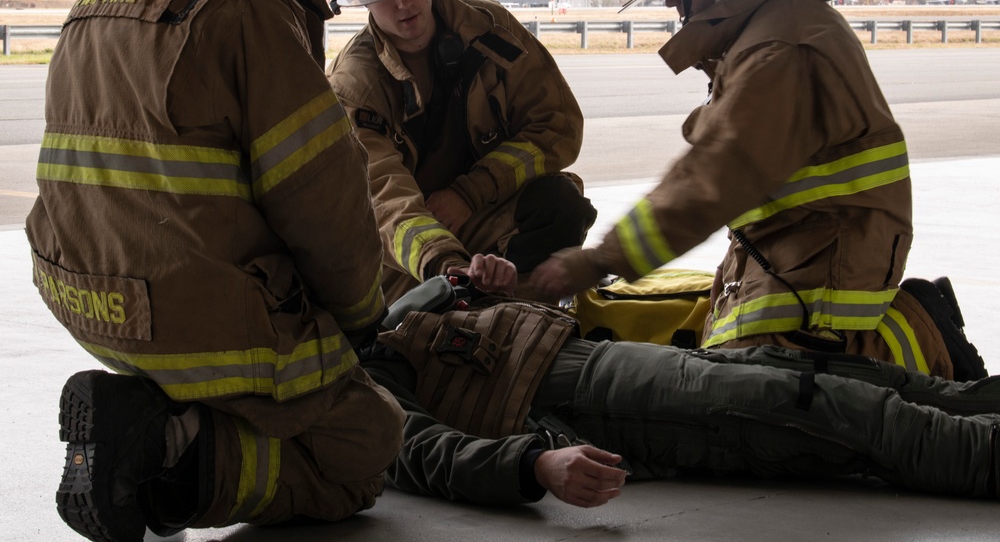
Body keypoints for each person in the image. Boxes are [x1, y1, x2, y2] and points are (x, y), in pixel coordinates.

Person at [25, 0, 405, 542]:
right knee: (367, 445)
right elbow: (322, 196)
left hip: (86, 298)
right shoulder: (244, 2)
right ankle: (173, 453)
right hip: (189, 315)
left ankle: (157, 411)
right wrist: (362, 313)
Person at [530, 0, 985, 381]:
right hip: (796, 260)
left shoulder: (778, 50)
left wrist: (594, 262)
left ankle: (925, 334)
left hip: (818, 290)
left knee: (742, 415)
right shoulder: (772, 23)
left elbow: (710, 180)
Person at [363, 278, 1000, 508]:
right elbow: (425, 454)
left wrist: (489, 281)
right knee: (836, 412)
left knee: (848, 379)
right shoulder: (355, 384)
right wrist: (534, 463)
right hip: (601, 396)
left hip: (614, 364)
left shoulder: (382, 320)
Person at [322, 0, 597, 304]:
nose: (401, 3)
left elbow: (557, 127)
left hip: (483, 214)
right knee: (430, 321)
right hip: (407, 256)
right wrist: (446, 265)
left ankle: (522, 315)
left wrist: (471, 193)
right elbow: (382, 200)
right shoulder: (353, 86)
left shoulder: (491, 31)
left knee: (560, 205)